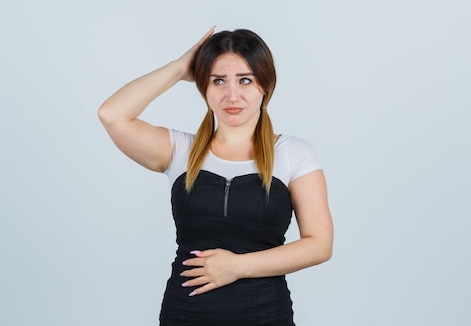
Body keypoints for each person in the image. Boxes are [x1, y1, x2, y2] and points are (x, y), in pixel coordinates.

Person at [98, 27, 333, 326]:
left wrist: (237, 266)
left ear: (265, 85)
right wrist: (179, 68)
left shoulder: (293, 153)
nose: (231, 95)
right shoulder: (179, 150)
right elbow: (111, 114)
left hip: (265, 316)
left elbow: (319, 244)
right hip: (185, 316)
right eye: (218, 80)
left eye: (245, 80)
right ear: (204, 88)